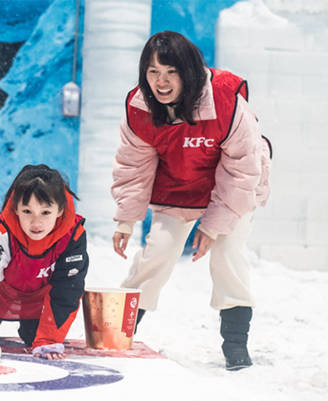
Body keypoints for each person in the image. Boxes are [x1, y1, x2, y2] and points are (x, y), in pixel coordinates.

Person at [111, 31, 271, 371]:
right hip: (180, 184)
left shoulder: (226, 103)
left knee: (228, 256)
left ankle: (235, 346)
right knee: (158, 254)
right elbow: (133, 166)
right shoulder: (139, 107)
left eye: (171, 72)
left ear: (189, 71)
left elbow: (243, 171)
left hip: (233, 188)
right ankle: (121, 333)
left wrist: (213, 227)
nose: (161, 82)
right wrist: (126, 218)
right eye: (153, 72)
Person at [0, 164, 89, 360]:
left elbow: (68, 289)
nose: (36, 223)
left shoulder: (73, 236)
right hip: (0, 295)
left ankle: (36, 330)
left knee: (36, 339)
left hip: (40, 301)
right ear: (15, 208)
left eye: (45, 212)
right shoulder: (2, 230)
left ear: (60, 210)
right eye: (27, 211)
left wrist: (49, 339)